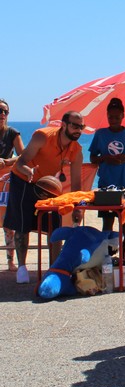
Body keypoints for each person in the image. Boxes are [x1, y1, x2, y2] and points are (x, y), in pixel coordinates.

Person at [4, 112, 85, 284]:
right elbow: (21, 162)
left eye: (81, 127)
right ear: (64, 125)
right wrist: (29, 171)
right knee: (23, 224)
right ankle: (22, 267)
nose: (78, 130)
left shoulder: (77, 150)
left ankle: (54, 268)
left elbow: (77, 184)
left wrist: (78, 207)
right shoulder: (42, 136)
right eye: (75, 126)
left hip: (47, 185)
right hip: (23, 179)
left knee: (55, 225)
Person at [88, 97, 125, 256]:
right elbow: (93, 158)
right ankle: (106, 255)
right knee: (107, 220)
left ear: (123, 116)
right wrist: (106, 158)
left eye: (117, 117)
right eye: (110, 117)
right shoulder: (100, 134)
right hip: (106, 184)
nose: (113, 120)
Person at [0, 99, 26, 271]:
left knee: (8, 223)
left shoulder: (12, 133)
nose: (2, 114)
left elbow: (24, 155)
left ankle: (11, 261)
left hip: (6, 183)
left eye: (5, 111)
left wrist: (7, 161)